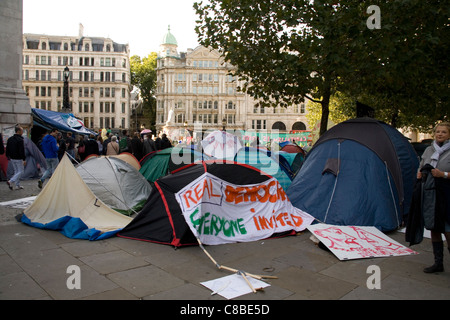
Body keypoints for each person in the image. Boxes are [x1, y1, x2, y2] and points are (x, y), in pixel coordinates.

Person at [417, 122, 450, 273]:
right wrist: (420, 172)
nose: (440, 134)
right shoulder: (430, 149)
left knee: (447, 228)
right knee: (434, 227)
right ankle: (438, 263)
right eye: (438, 131)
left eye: (443, 132)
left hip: (446, 194)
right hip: (430, 192)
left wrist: (443, 174)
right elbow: (422, 164)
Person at [5, 125, 26, 190]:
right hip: (18, 158)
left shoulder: (10, 139)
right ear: (19, 131)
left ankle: (17, 185)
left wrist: (7, 155)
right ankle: (10, 181)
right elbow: (21, 150)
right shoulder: (20, 139)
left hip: (12, 157)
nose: (23, 132)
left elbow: (7, 148)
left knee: (16, 171)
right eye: (22, 130)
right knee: (21, 171)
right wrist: (24, 159)